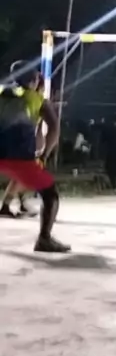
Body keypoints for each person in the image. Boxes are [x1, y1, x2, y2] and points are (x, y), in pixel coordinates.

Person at [0, 61, 70, 252]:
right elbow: (54, 129)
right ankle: (44, 239)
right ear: (34, 80)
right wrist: (44, 154)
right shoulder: (37, 99)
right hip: (19, 158)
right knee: (50, 194)